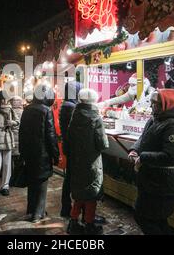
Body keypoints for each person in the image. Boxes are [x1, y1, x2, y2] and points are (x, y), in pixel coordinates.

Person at [128, 89, 174, 235]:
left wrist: (143, 157)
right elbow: (143, 138)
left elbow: (171, 155)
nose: (151, 106)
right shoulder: (155, 119)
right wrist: (134, 150)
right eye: (152, 102)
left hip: (164, 184)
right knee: (156, 219)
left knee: (144, 217)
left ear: (166, 104)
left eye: (155, 103)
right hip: (151, 181)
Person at [66, 88, 109, 235]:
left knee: (78, 194)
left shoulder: (75, 116)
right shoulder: (96, 118)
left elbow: (68, 141)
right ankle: (89, 224)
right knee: (91, 195)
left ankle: (73, 223)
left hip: (77, 162)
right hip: (91, 162)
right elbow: (103, 144)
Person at [19, 85, 59, 223]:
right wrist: (55, 154)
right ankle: (38, 213)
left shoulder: (27, 109)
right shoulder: (46, 110)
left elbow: (21, 133)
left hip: (29, 153)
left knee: (31, 182)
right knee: (42, 184)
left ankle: (31, 209)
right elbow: (51, 135)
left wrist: (22, 152)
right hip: (43, 154)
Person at [0, 92, 19, 196]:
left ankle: (5, 186)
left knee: (7, 164)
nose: (4, 101)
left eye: (5, 99)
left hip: (7, 138)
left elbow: (17, 121)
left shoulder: (10, 109)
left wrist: (12, 123)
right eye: (2, 99)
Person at [58, 81, 81, 218]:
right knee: (72, 178)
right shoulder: (71, 106)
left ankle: (67, 207)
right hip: (73, 147)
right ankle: (68, 208)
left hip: (68, 146)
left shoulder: (66, 104)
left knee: (69, 177)